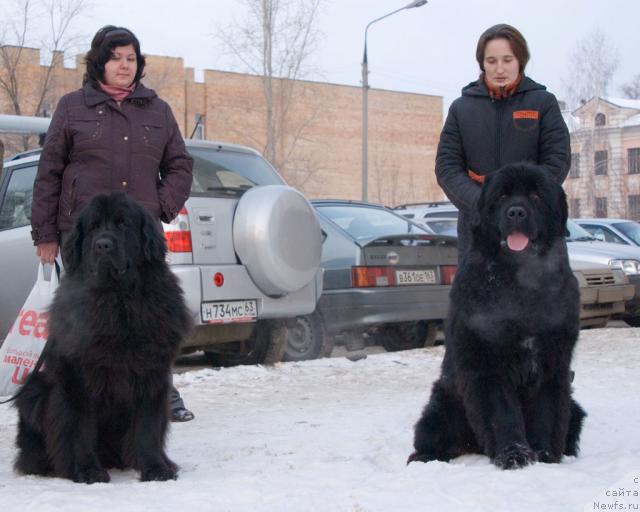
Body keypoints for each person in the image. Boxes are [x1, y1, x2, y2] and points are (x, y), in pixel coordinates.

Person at [30, 25, 195, 422]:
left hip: (136, 239)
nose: (124, 65)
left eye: (131, 58)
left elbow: (180, 165)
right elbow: (49, 172)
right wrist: (46, 234)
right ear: (99, 62)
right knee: (88, 320)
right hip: (85, 237)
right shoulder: (72, 107)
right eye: (115, 57)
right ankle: (84, 402)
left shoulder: (158, 110)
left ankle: (160, 394)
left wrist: (160, 205)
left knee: (148, 316)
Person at [435, 23, 571, 258]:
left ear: (520, 60)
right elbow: (447, 168)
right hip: (478, 231)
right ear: (482, 63)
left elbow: (557, 159)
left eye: (507, 60)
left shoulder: (543, 103)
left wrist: (526, 202)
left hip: (534, 229)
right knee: (478, 292)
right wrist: (484, 204)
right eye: (491, 61)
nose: (500, 69)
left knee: (541, 293)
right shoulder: (461, 109)